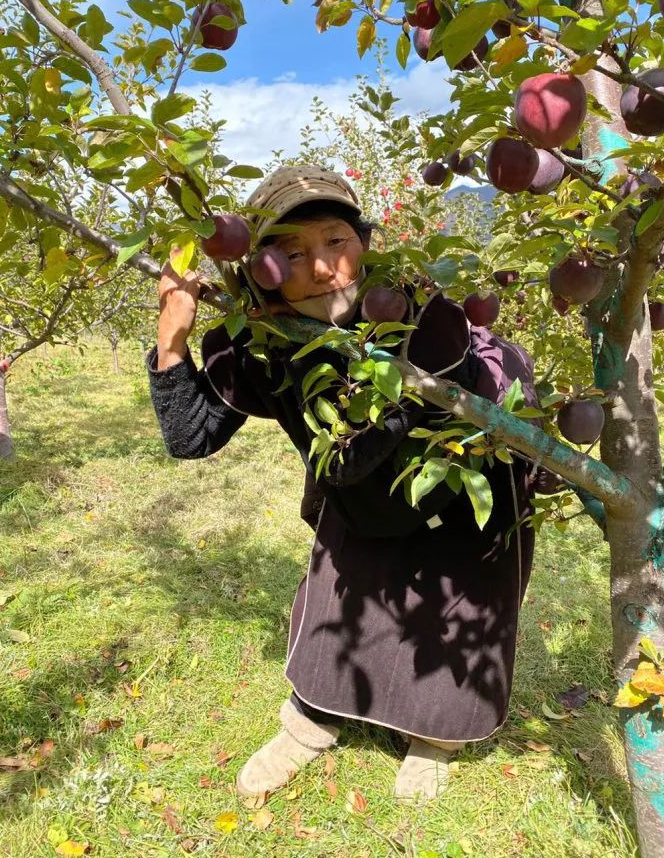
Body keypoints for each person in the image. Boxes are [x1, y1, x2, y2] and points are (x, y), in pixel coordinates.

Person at [148, 164, 539, 802]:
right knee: (343, 589)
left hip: (460, 481)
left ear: (366, 243)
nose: (325, 268)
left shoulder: (416, 316)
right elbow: (191, 438)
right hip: (358, 497)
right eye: (294, 252)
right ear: (258, 266)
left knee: (459, 592)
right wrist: (173, 337)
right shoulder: (262, 335)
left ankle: (435, 736)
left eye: (337, 241)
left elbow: (457, 405)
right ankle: (310, 721)